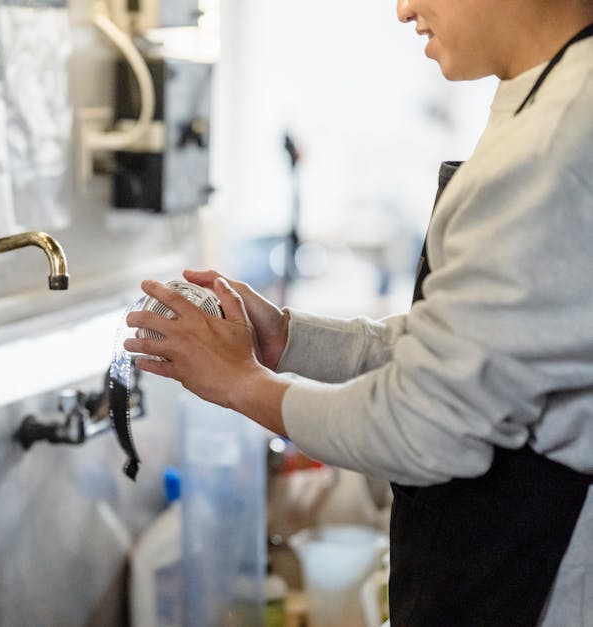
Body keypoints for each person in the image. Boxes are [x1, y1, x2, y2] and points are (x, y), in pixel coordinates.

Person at [123, 1, 593, 624]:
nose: (404, 9)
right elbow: (465, 350)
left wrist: (241, 383)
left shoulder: (554, 145)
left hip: (531, 588)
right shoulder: (550, 98)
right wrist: (286, 338)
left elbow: (421, 427)